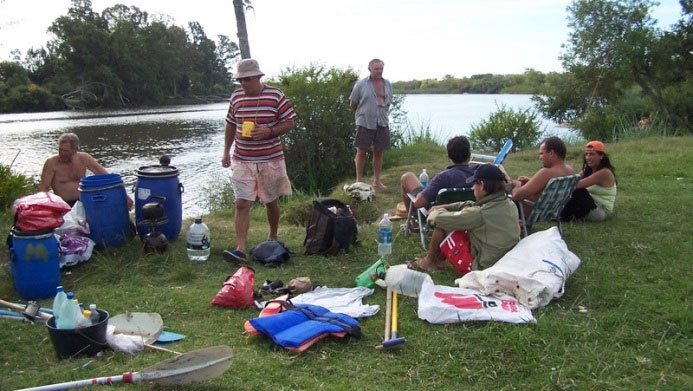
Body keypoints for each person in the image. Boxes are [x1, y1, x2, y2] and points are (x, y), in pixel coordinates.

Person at [221, 59, 297, 262]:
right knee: (241, 203)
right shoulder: (236, 96)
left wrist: (269, 131)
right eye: (240, 80)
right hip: (242, 159)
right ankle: (240, 249)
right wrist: (226, 152)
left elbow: (290, 122)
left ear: (258, 77)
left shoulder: (275, 95)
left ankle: (272, 236)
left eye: (247, 79)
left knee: (270, 201)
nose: (243, 83)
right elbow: (230, 124)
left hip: (270, 158)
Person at [408, 164, 520, 272]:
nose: (472, 187)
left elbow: (437, 219)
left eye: (474, 184)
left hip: (483, 266)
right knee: (457, 216)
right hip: (504, 260)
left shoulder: (479, 213)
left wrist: (437, 211)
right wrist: (447, 206)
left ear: (481, 184)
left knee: (444, 224)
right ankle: (437, 260)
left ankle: (428, 262)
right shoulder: (509, 203)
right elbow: (472, 204)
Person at [38, 133, 133, 208]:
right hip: (64, 204)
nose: (62, 153)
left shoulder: (84, 158)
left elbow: (107, 177)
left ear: (75, 149)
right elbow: (44, 188)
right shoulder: (51, 163)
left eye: (65, 151)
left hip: (85, 201)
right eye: (60, 150)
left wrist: (124, 195)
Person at [400, 135, 478, 219]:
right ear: (469, 153)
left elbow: (419, 203)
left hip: (440, 216)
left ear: (449, 156)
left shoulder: (444, 177)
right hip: (472, 214)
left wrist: (421, 193)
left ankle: (413, 224)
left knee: (407, 177)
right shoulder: (480, 173)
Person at [349, 58, 393, 188]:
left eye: (381, 69)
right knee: (361, 151)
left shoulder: (387, 84)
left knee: (379, 151)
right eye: (376, 69)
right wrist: (365, 112)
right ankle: (359, 181)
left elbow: (388, 101)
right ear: (370, 69)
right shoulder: (361, 84)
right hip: (365, 121)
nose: (379, 71)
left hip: (382, 121)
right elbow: (353, 104)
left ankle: (377, 181)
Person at [509, 136, 574, 216]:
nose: (540, 158)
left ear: (551, 153)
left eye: (541, 154)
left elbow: (516, 196)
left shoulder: (546, 173)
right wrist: (531, 181)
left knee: (501, 189)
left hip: (528, 211)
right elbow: (548, 187)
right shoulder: (570, 170)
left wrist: (517, 185)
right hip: (549, 212)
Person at [561, 141, 617, 221]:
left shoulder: (604, 172)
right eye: (586, 154)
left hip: (600, 211)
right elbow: (574, 179)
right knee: (571, 193)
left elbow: (576, 185)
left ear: (601, 156)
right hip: (590, 205)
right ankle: (559, 214)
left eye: (592, 154)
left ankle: (562, 217)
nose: (588, 157)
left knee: (579, 192)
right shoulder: (588, 170)